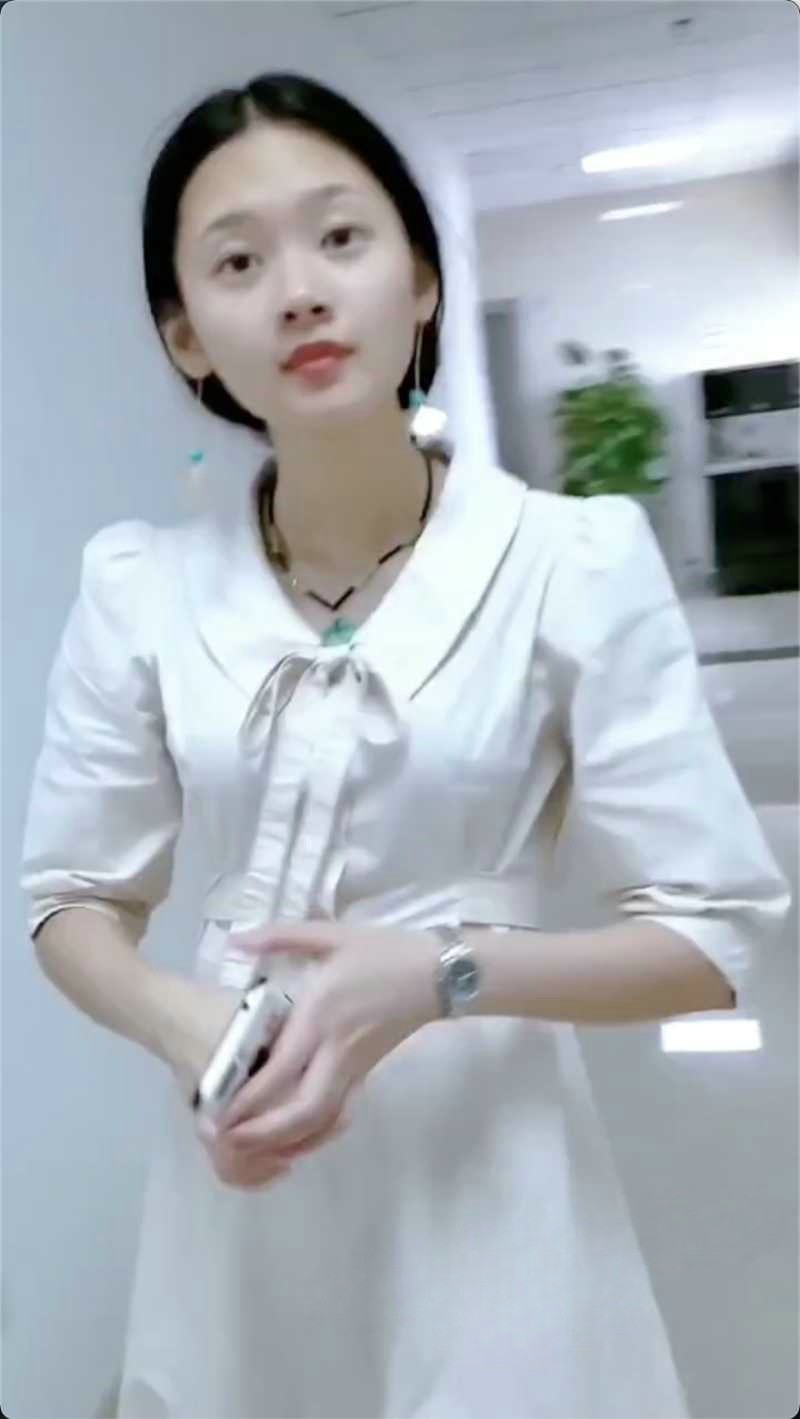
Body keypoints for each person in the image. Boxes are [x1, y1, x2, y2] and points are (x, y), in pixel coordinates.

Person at [20, 72, 790, 1419]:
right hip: (246, 1156)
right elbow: (70, 898)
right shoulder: (139, 588)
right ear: (186, 334)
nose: (299, 293)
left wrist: (439, 976)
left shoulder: (568, 562)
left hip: (485, 1165)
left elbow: (714, 937)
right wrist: (193, 1033)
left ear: (421, 281)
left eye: (341, 237)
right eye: (238, 263)